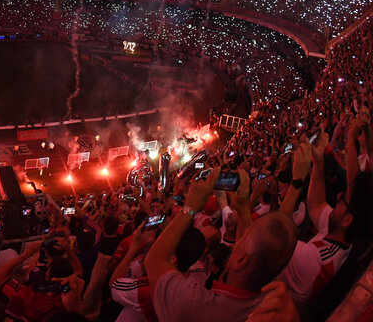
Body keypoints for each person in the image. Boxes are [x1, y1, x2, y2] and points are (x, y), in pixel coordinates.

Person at [145, 168, 297, 321]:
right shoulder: (270, 305)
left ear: (241, 260)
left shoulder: (196, 304)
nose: (239, 238)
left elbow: (153, 261)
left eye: (244, 237)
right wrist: (244, 210)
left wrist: (190, 206)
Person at [277, 136, 373, 309]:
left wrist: (297, 181)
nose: (337, 197)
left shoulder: (315, 261)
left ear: (347, 220)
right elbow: (316, 204)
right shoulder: (343, 239)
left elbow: (270, 241)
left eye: (343, 198)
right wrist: (318, 161)